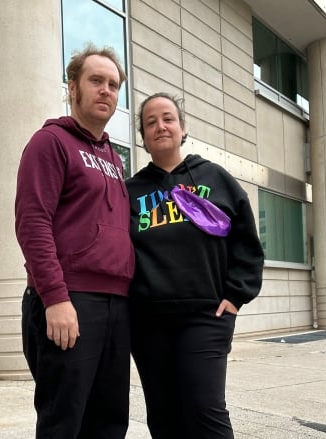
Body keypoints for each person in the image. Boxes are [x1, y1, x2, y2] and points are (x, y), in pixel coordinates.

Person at [126, 92, 265, 438]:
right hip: (148, 322)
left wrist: (236, 296)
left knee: (205, 410)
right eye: (151, 122)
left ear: (182, 127)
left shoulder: (215, 178)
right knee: (162, 413)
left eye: (168, 118)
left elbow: (247, 244)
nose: (160, 126)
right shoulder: (130, 191)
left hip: (206, 316)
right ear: (142, 137)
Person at [14, 43, 135, 438]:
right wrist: (56, 298)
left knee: (109, 421)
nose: (106, 90)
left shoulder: (115, 160)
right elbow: (32, 223)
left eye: (113, 85)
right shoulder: (50, 143)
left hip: (116, 304)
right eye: (95, 81)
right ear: (72, 88)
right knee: (63, 422)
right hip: (70, 300)